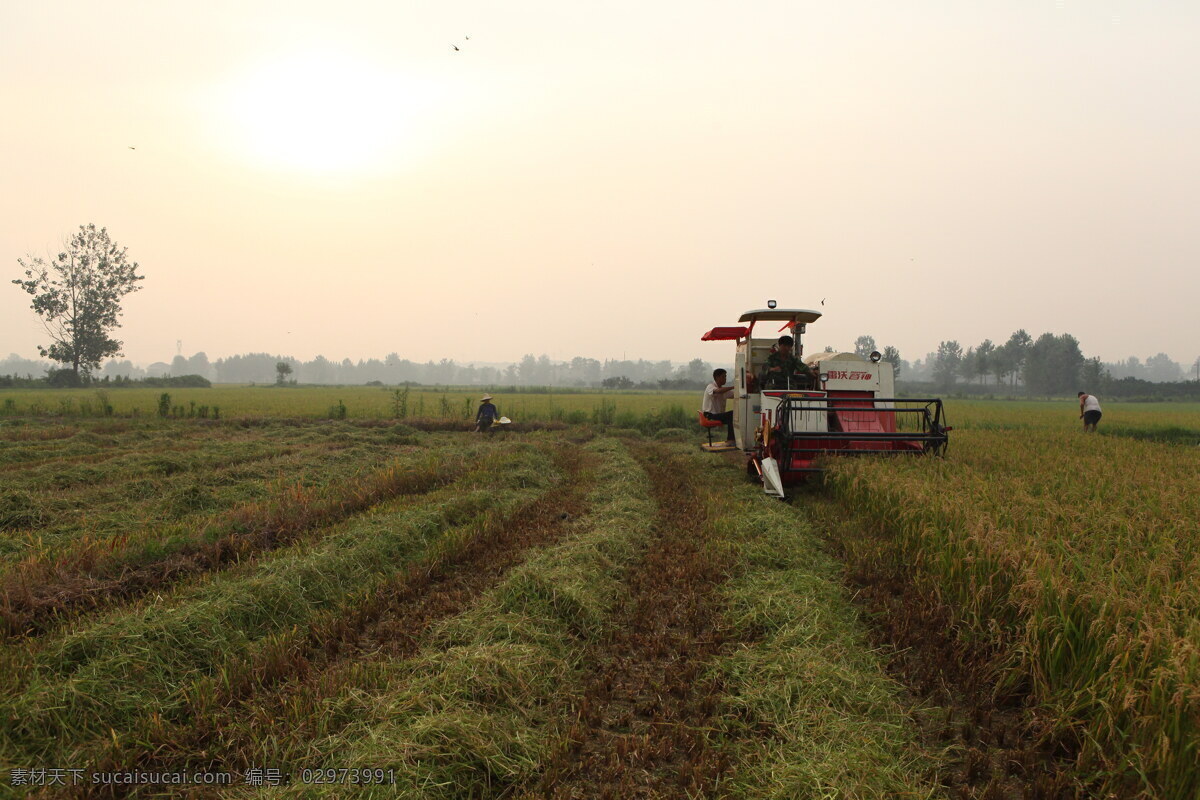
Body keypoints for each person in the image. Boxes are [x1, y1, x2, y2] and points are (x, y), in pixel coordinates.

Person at [702, 368, 736, 444]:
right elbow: (718, 391)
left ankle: (733, 439)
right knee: (732, 414)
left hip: (717, 415)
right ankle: (731, 440)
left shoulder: (724, 390)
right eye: (723, 376)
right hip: (710, 415)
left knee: (734, 417)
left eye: (725, 376)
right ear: (717, 377)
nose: (725, 379)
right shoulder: (710, 386)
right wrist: (734, 387)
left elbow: (736, 395)